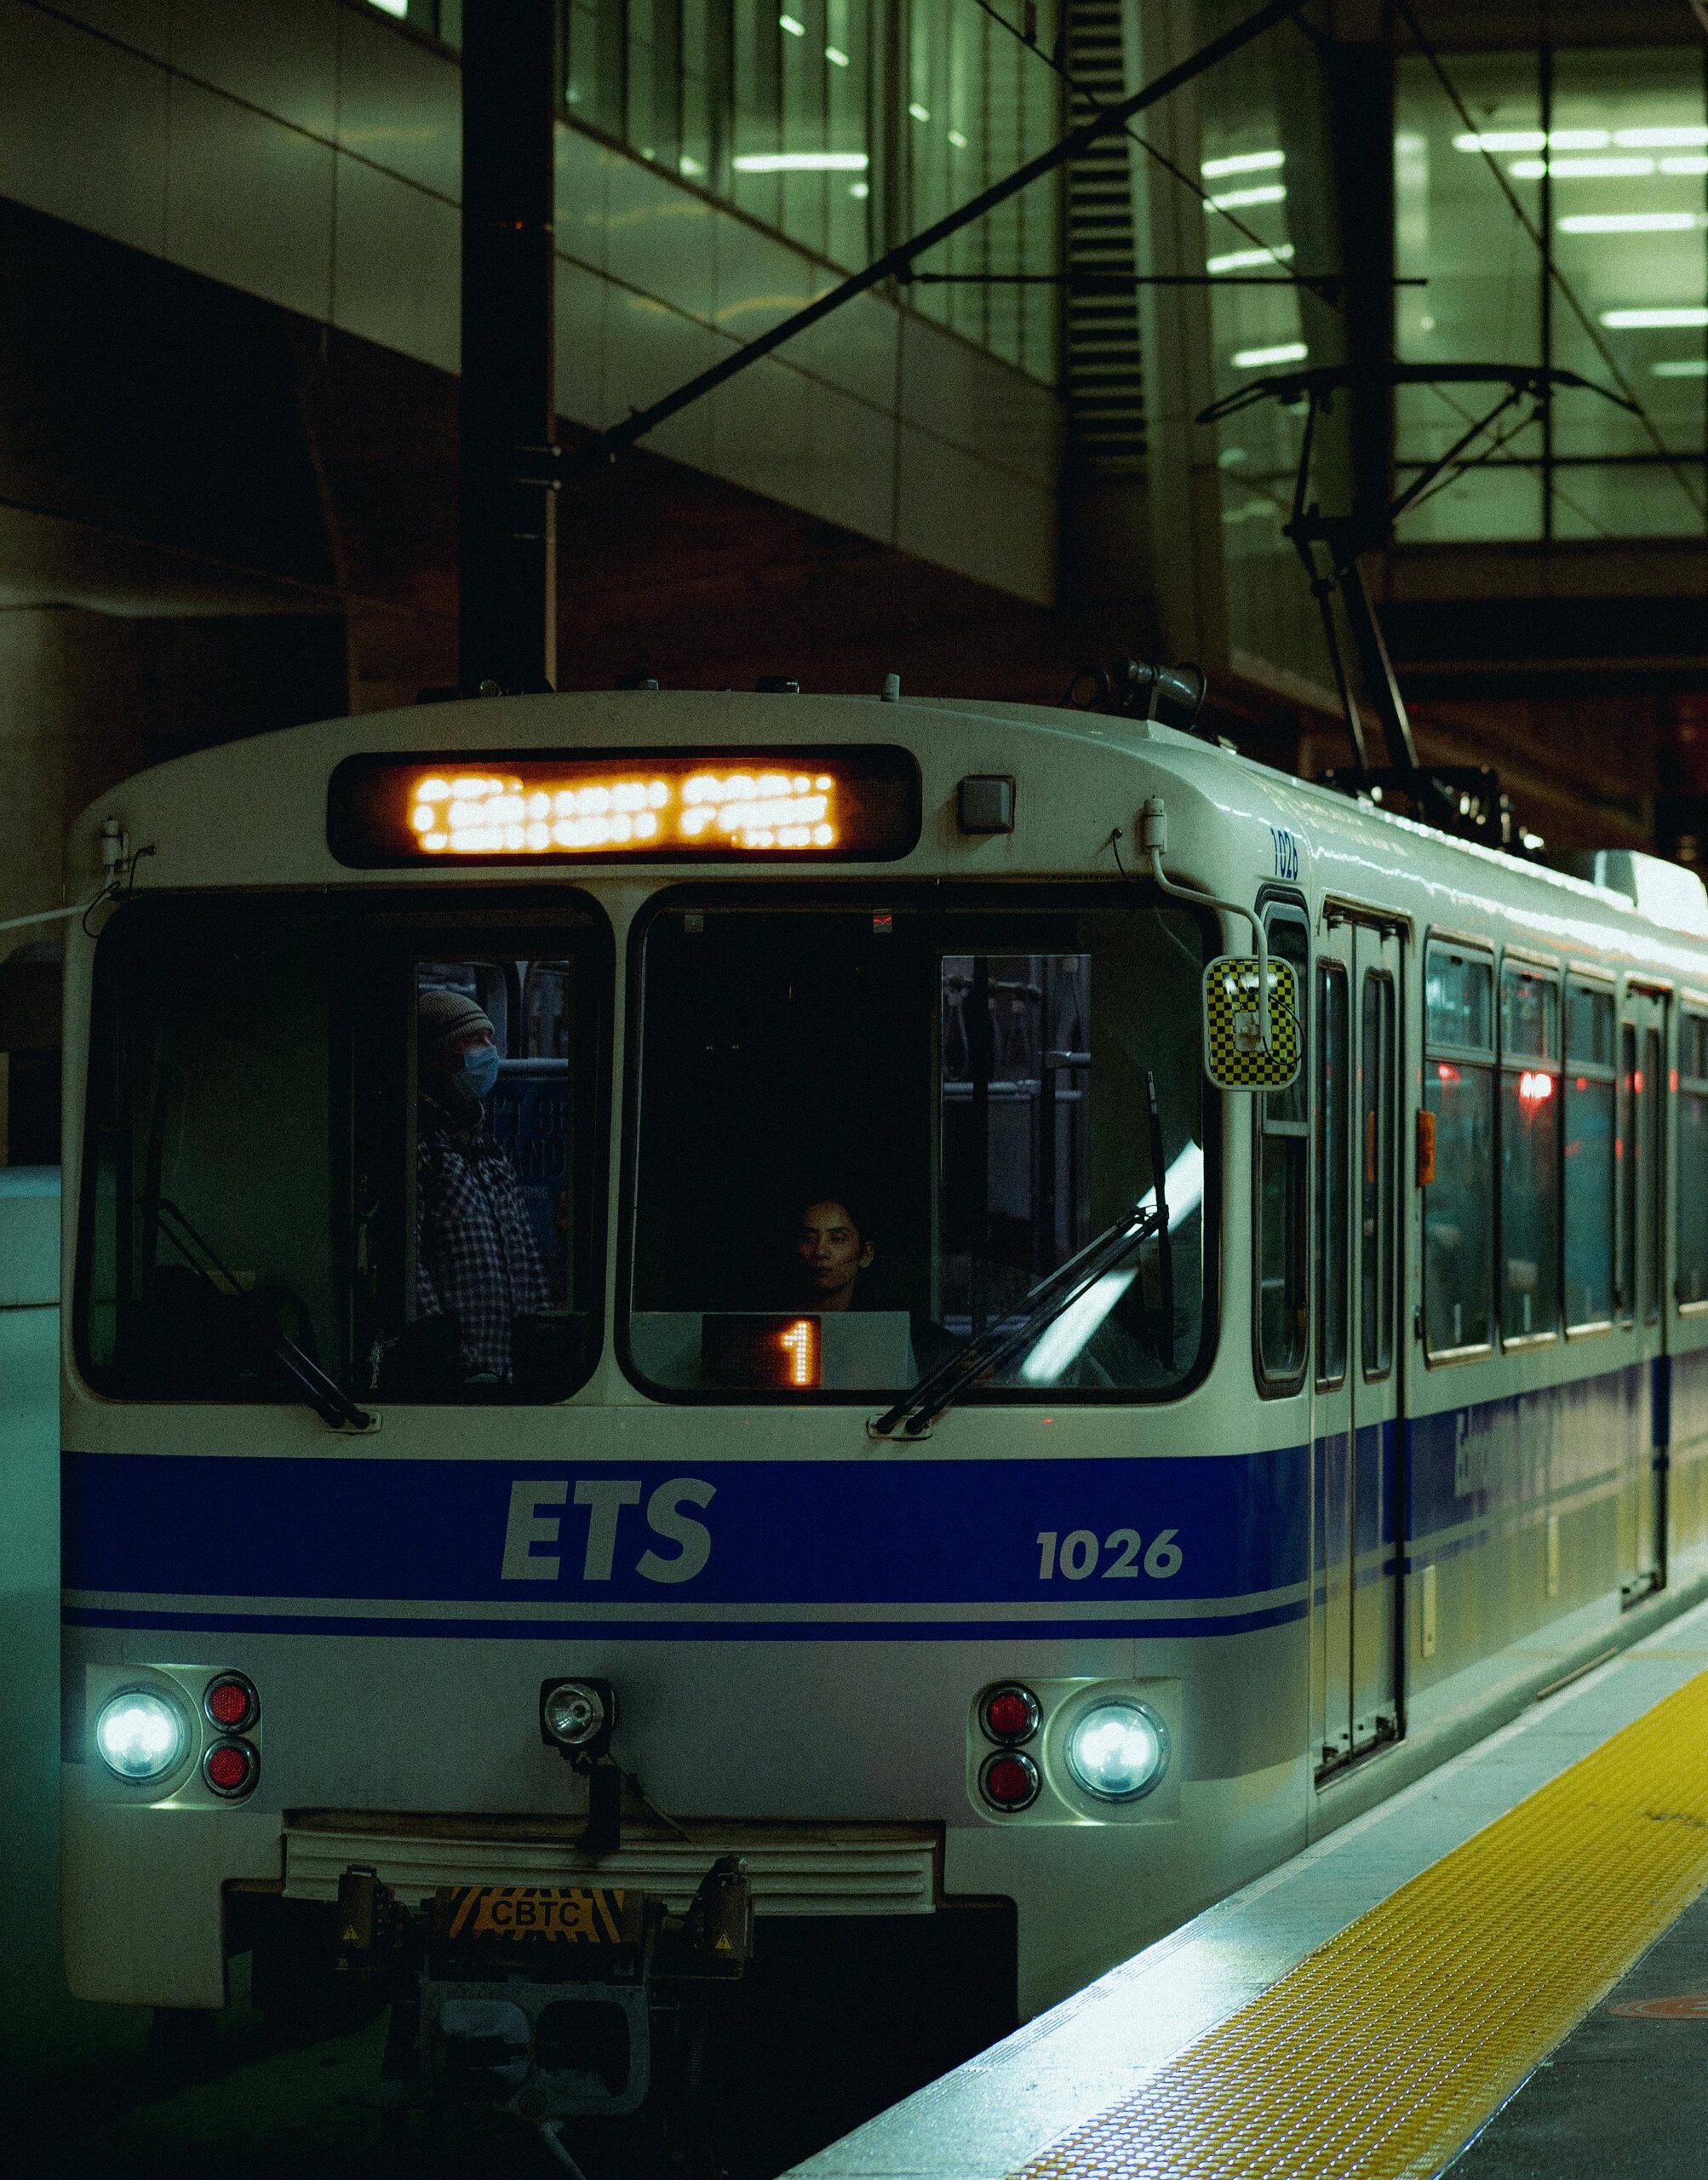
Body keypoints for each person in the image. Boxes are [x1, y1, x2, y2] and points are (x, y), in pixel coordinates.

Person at [415, 985, 547, 1384]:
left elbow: (523, 1252)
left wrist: (541, 1338)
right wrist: (443, 1353)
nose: (486, 1051)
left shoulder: (487, 1150)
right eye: (473, 1040)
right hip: (456, 1373)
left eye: (488, 1039)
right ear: (436, 1057)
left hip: (508, 1369)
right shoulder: (422, 1147)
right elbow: (407, 1261)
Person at [793, 1193, 957, 1372]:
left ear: (866, 1254)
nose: (820, 1251)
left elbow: (956, 1359)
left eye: (837, 1239)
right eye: (809, 1239)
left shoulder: (891, 1325)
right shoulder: (774, 1321)